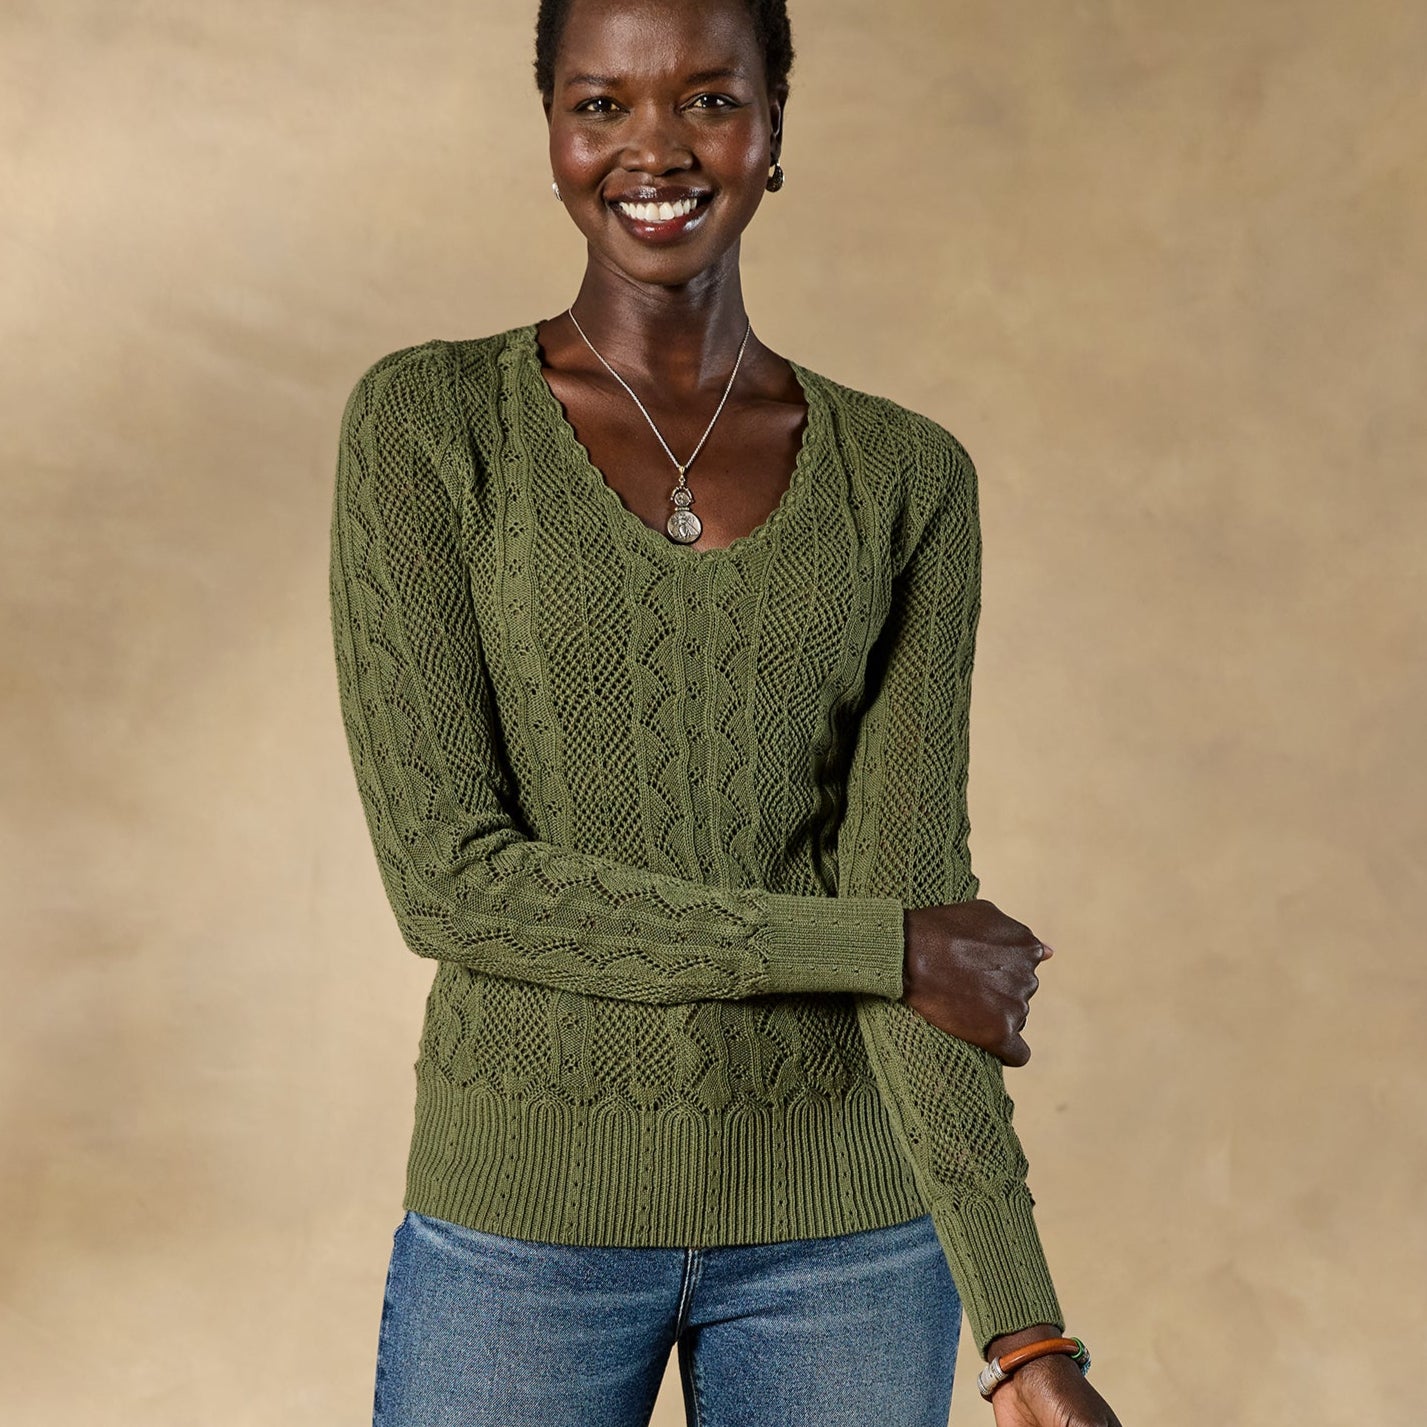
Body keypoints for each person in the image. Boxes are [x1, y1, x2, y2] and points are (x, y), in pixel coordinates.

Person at [328, 1, 1124, 1423]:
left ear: (773, 130)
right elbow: (449, 881)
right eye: (602, 105)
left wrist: (1024, 1332)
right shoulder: (429, 427)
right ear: (553, 136)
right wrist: (872, 947)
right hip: (525, 1228)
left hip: (850, 1242)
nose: (656, 148)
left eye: (708, 100)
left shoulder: (905, 479)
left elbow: (918, 903)